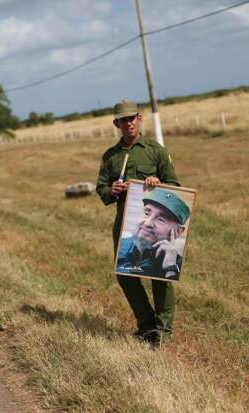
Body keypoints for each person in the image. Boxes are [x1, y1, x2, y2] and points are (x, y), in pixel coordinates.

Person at [96, 100, 180, 349]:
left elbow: (174, 186)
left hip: (155, 226)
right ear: (116, 124)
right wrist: (111, 189)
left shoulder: (156, 151)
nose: (129, 122)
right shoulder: (111, 157)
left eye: (132, 118)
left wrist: (158, 183)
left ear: (139, 118)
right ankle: (147, 325)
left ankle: (163, 333)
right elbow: (101, 189)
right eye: (123, 119)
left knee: (159, 274)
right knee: (126, 276)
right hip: (126, 224)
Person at [116, 188, 189, 280]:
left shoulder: (179, 266)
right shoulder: (119, 246)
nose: (147, 223)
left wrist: (170, 268)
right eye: (147, 213)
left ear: (178, 231)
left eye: (161, 219)